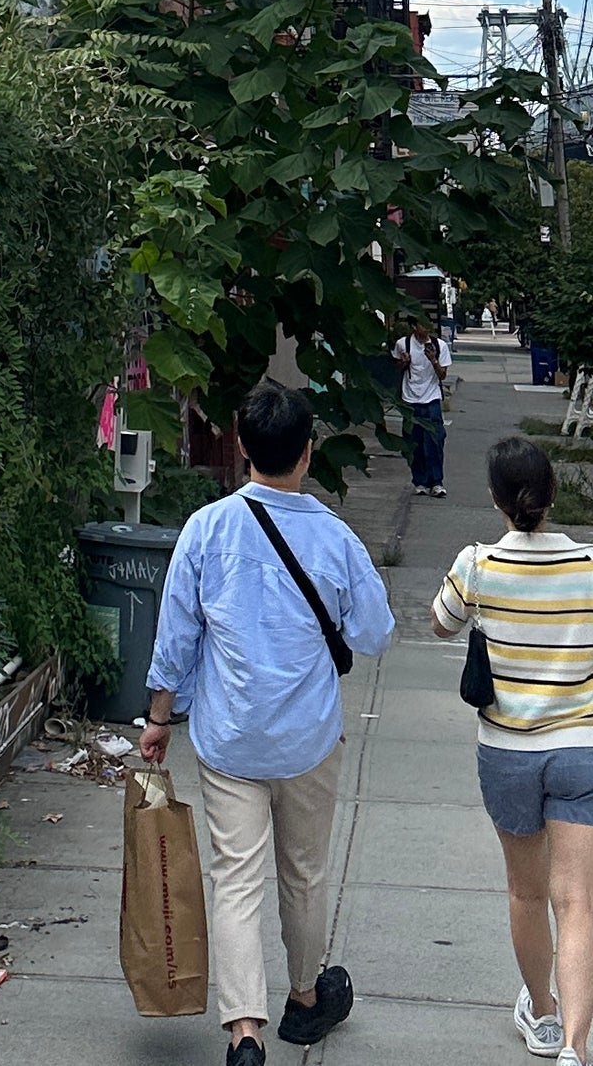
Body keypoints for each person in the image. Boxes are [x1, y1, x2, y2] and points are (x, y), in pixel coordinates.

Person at [139, 381, 396, 1066]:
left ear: (242, 448)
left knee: (236, 877)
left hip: (229, 740)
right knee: (305, 874)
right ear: (307, 452)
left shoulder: (206, 530)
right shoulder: (334, 537)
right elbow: (375, 632)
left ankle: (244, 1031)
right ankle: (306, 1001)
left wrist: (159, 719)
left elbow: (176, 639)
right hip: (308, 739)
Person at [431, 435, 593, 1066]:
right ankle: (576, 1051)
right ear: (551, 494)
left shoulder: (477, 564)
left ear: (497, 500)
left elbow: (439, 621)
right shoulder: (591, 565)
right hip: (585, 748)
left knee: (527, 894)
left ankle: (546, 1017)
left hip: (507, 752)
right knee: (578, 901)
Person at [392, 319, 453, 496]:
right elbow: (396, 368)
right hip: (410, 399)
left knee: (435, 440)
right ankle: (420, 481)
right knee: (413, 441)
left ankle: (436, 481)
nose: (426, 330)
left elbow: (442, 375)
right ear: (414, 327)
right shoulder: (403, 344)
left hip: (431, 398)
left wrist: (433, 359)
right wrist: (404, 362)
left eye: (429, 326)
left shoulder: (439, 345)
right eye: (422, 326)